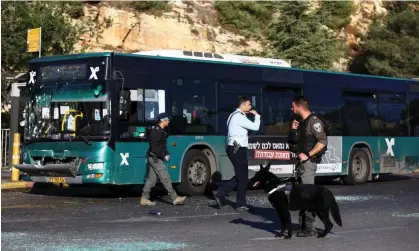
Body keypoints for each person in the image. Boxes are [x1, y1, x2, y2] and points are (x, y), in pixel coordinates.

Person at [213, 96, 261, 211]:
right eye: (249, 104)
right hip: (237, 148)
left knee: (242, 176)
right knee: (242, 176)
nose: (251, 107)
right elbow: (256, 127)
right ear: (243, 105)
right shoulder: (238, 117)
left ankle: (222, 193)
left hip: (235, 148)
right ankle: (238, 202)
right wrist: (257, 116)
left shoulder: (233, 115)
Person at [289, 95, 328, 237]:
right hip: (301, 163)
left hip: (308, 163)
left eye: (293, 107)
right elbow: (294, 143)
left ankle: (310, 228)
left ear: (299, 107)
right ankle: (303, 226)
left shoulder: (314, 121)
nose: (291, 109)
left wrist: (308, 154)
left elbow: (322, 142)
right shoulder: (301, 122)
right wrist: (292, 130)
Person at [140, 113, 187, 206]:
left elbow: (160, 146)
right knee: (166, 178)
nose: (169, 122)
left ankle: (144, 198)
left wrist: (166, 153)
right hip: (156, 158)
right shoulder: (157, 131)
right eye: (167, 120)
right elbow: (155, 147)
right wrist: (163, 155)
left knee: (151, 179)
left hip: (155, 157)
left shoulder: (160, 131)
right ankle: (174, 198)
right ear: (163, 120)